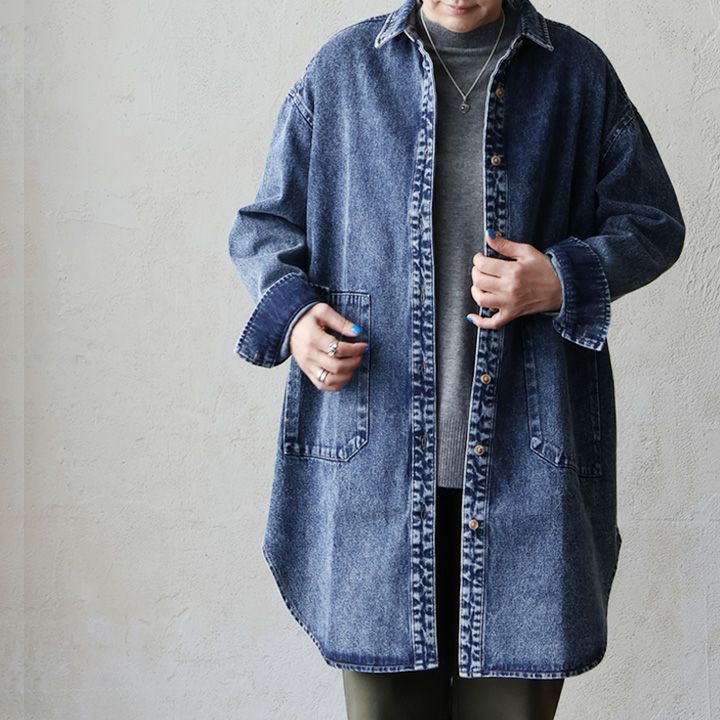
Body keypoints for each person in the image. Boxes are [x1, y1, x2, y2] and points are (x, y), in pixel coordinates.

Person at [227, 0, 685, 718]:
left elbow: (652, 222)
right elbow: (264, 228)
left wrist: (561, 277)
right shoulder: (342, 73)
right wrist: (296, 320)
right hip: (373, 483)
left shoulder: (576, 76)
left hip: (528, 481)